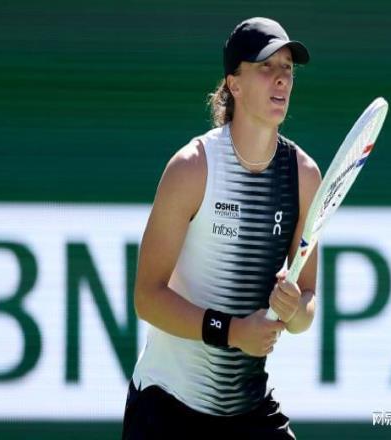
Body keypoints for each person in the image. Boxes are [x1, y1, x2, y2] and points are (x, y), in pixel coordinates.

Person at [122, 17, 321, 440]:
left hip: (248, 407)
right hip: (166, 406)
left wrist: (292, 310)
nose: (281, 78)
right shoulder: (192, 168)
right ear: (234, 83)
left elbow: (306, 305)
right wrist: (232, 332)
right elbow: (147, 297)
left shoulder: (304, 176)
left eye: (287, 68)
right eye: (266, 67)